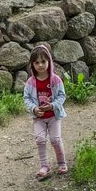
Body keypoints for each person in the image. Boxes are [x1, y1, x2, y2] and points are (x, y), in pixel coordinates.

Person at [23, 44, 68, 180]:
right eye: (37, 62)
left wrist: (53, 106)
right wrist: (34, 109)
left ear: (49, 61)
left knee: (55, 139)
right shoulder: (30, 82)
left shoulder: (55, 80)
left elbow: (62, 96)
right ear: (32, 64)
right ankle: (44, 165)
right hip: (39, 118)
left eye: (43, 61)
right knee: (40, 139)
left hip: (54, 116)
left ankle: (61, 163)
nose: (40, 65)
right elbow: (26, 98)